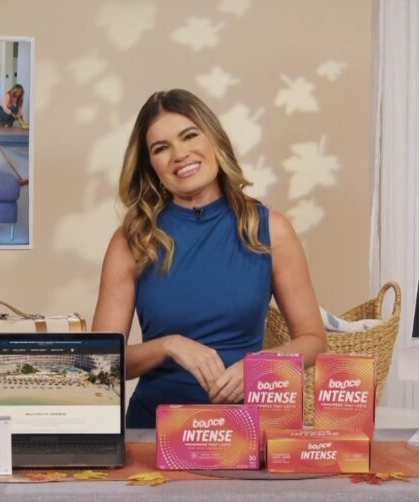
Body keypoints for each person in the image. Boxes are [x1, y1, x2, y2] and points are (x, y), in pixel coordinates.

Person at [92, 89, 326, 428]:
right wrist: (168, 346)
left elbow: (314, 341)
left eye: (189, 136)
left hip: (244, 432)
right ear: (150, 165)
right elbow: (101, 362)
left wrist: (257, 367)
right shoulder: (132, 240)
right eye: (161, 148)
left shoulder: (270, 229)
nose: (180, 154)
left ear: (213, 139)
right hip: (155, 433)